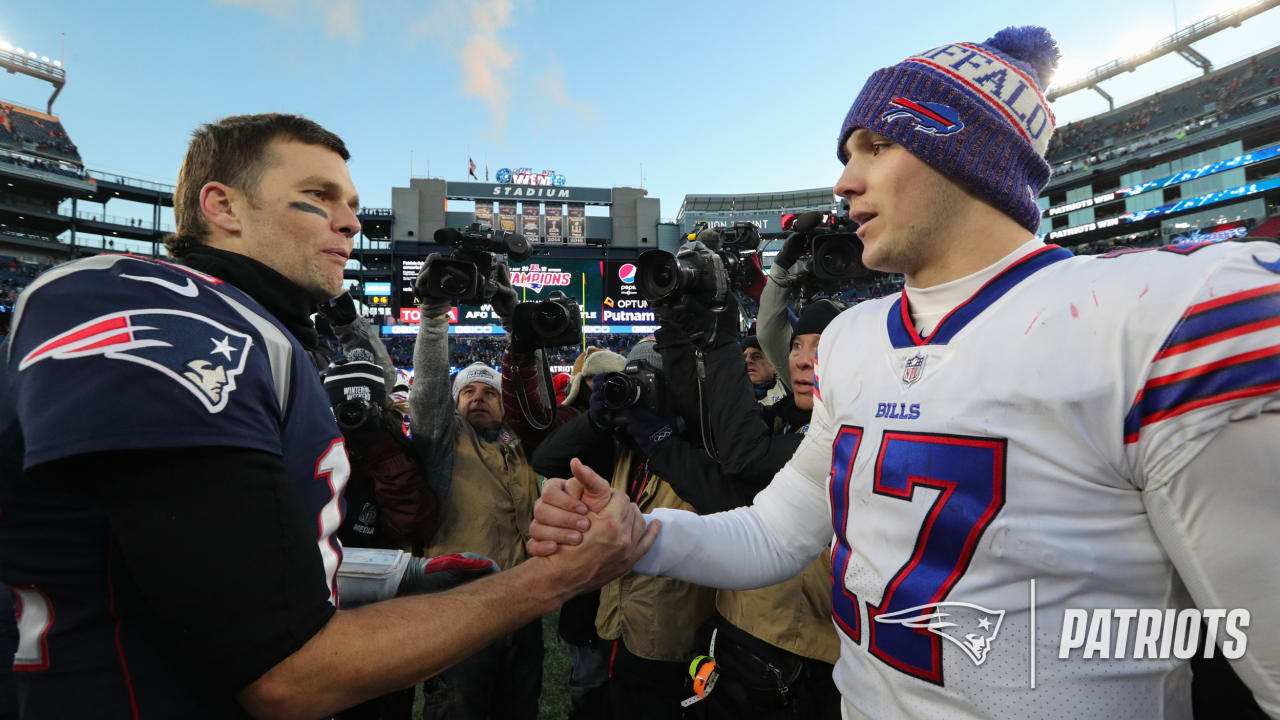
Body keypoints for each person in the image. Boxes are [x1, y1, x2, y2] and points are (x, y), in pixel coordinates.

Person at [528, 27, 1280, 719]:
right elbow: (778, 533)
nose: (845, 183)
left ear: (964, 152)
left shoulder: (1158, 315)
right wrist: (642, 533)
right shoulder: (854, 338)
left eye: (874, 147)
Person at [0, 112, 655, 720]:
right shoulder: (173, 311)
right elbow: (283, 669)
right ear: (222, 205)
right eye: (319, 195)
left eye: (350, 203)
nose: (350, 222)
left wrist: (392, 575)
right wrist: (556, 578)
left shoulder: (263, 331)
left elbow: (226, 560)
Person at [408, 267, 546, 720]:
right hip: (457, 614)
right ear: (454, 401)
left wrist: (517, 323)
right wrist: (432, 318)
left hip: (521, 612)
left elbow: (536, 391)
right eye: (468, 390)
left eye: (490, 391)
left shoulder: (523, 446)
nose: (479, 397)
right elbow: (427, 389)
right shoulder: (442, 443)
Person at [742, 335, 786, 405]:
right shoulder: (729, 396)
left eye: (756, 356)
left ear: (774, 366)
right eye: (743, 357)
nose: (747, 360)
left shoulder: (788, 390)